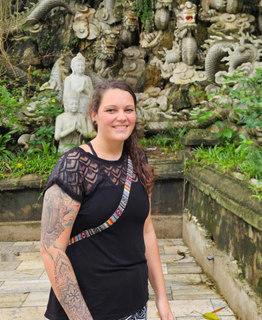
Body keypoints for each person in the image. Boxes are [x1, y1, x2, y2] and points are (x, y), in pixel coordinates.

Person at [40, 79, 174, 320]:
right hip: (87, 309)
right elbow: (51, 249)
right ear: (94, 115)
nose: (121, 117)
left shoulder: (138, 162)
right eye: (111, 110)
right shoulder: (73, 166)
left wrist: (162, 300)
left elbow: (147, 232)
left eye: (128, 110)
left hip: (135, 306)